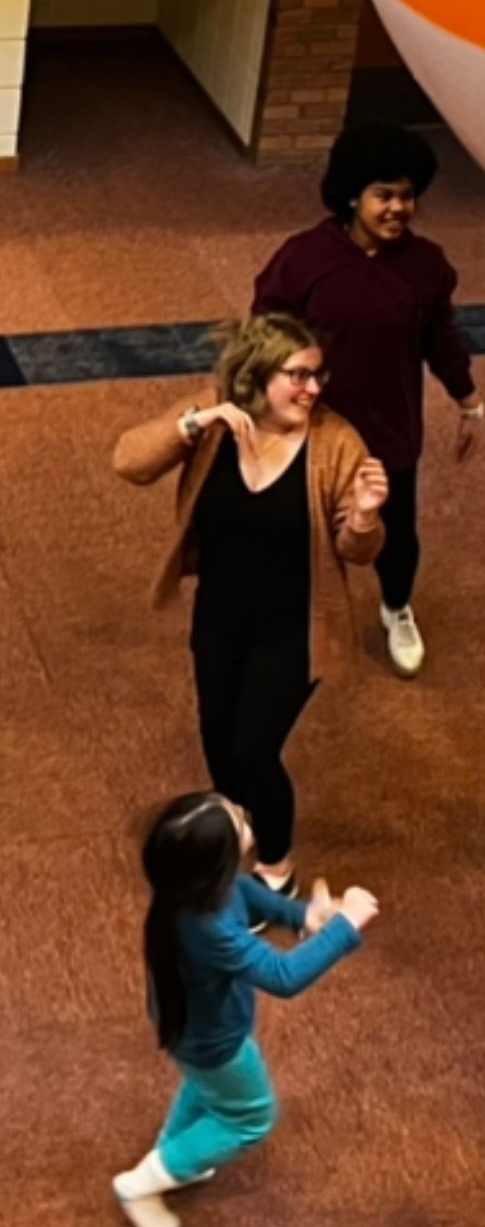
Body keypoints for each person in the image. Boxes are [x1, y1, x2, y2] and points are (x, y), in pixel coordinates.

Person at [114, 314, 387, 908]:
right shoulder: (216, 417)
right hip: (220, 617)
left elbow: (357, 551)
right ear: (257, 376)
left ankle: (276, 865)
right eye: (299, 376)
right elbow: (129, 462)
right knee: (216, 736)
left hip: (295, 630)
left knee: (253, 749)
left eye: (319, 376)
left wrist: (364, 515)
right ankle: (236, 833)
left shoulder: (335, 442)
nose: (313, 389)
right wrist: (194, 422)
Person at [253, 124, 483, 680]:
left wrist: (468, 399)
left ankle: (395, 607)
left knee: (396, 532)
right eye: (384, 195)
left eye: (406, 196)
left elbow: (439, 337)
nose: (398, 207)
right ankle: (286, 617)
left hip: (389, 430)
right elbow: (264, 337)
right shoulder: (303, 259)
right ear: (353, 195)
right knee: (293, 526)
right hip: (311, 429)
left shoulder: (426, 266)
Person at [113, 791, 378, 1227]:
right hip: (214, 1038)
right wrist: (345, 927)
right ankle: (141, 1185)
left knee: (206, 1088)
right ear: (219, 858)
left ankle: (172, 1156)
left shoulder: (195, 886)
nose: (247, 817)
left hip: (193, 1029)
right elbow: (283, 976)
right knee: (250, 1117)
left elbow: (254, 898)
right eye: (240, 822)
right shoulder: (207, 926)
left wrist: (304, 917)